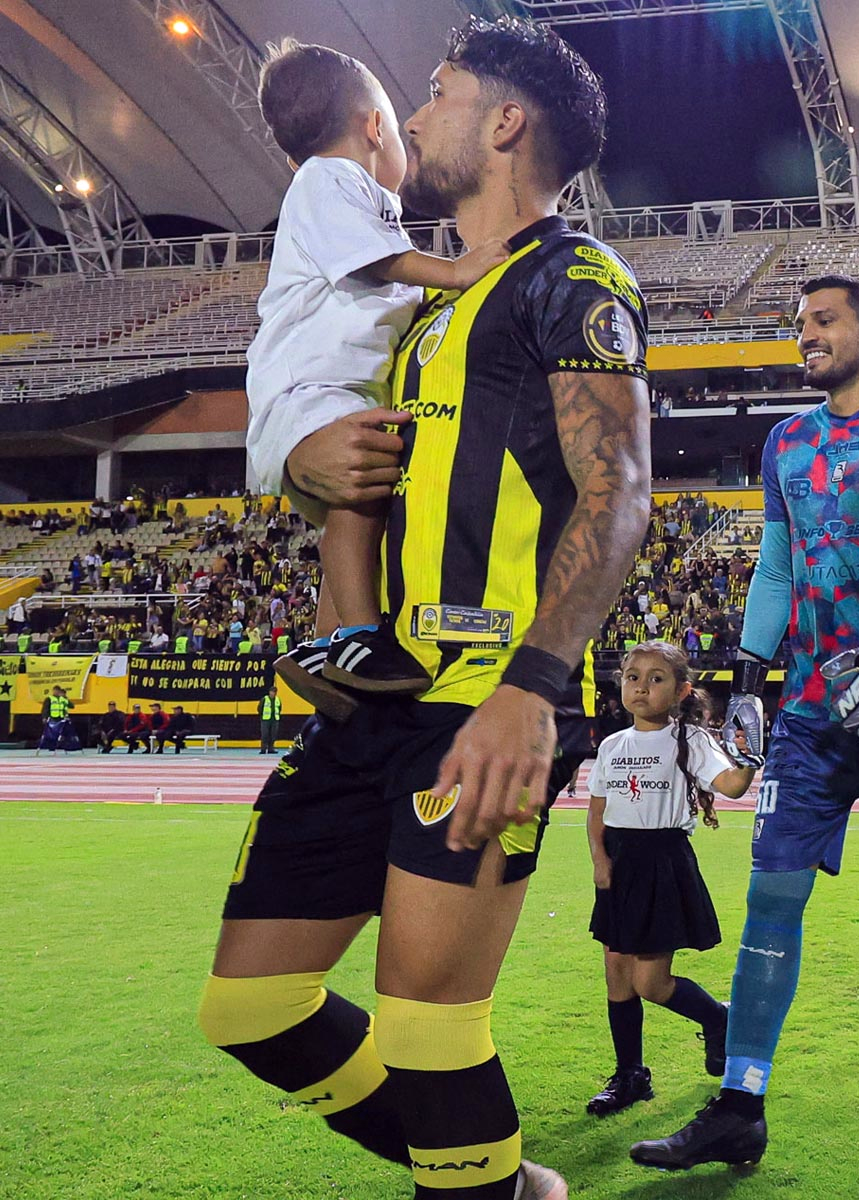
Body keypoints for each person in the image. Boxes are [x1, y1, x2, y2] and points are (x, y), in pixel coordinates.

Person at [197, 18, 645, 1200]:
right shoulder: (413, 314)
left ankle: (474, 1183)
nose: (415, 112)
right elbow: (360, 483)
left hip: (483, 699)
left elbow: (620, 492)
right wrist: (313, 468)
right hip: (377, 696)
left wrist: (531, 691)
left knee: (427, 1022)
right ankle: (495, 1179)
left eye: (439, 92)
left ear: (505, 122)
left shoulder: (571, 278)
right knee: (249, 1004)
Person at [631, 274, 859, 1170]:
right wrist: (748, 679)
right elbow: (777, 570)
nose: (806, 335)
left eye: (824, 321)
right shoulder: (787, 442)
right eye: (799, 325)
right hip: (813, 717)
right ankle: (741, 1102)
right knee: (772, 896)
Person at [246, 39, 510, 721]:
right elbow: (371, 260)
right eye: (396, 124)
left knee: (355, 521)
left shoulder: (340, 191)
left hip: (326, 392)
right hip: (313, 390)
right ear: (373, 126)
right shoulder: (329, 179)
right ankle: (364, 637)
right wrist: (454, 272)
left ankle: (327, 647)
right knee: (360, 507)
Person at [585, 643, 752, 1118]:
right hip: (619, 862)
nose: (641, 686)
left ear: (681, 691)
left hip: (663, 862)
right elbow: (597, 813)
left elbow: (732, 786)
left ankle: (718, 1018)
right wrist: (599, 861)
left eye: (656, 678)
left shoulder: (690, 739)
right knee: (617, 975)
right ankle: (630, 1075)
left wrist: (749, 756)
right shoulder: (612, 745)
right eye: (632, 677)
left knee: (650, 983)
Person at [36, 685, 75, 756]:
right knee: (51, 734)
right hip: (53, 718)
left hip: (61, 719)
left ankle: (62, 747)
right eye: (55, 691)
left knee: (62, 734)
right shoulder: (49, 699)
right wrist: (44, 717)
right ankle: (51, 747)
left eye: (57, 691)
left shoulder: (62, 699)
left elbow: (72, 706)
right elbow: (45, 708)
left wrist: (65, 698)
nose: (56, 692)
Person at [259, 684, 283, 755]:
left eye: (274, 692)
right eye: (272, 691)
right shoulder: (264, 699)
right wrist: (262, 716)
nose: (273, 693)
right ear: (269, 692)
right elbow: (260, 708)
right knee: (265, 735)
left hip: (275, 720)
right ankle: (263, 749)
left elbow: (279, 709)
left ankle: (271, 749)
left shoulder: (278, 700)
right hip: (265, 720)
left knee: (273, 735)